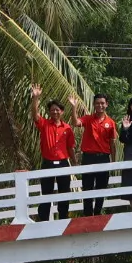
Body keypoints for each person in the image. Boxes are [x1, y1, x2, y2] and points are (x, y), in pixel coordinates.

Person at [30, 85, 80, 221]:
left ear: (62, 112)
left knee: (64, 193)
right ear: (49, 112)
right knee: (46, 193)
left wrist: (75, 164)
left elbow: (71, 148)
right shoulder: (45, 124)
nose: (55, 112)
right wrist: (35, 97)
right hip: (48, 163)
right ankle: (43, 220)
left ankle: (63, 219)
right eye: (52, 110)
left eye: (57, 110)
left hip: (63, 163)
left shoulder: (68, 128)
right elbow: (35, 115)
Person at [79, 92, 118, 216]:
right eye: (97, 103)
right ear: (94, 105)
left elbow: (112, 143)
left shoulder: (110, 122)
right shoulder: (88, 118)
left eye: (102, 103)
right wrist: (74, 107)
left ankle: (97, 213)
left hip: (103, 158)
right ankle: (87, 215)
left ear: (106, 104)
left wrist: (114, 161)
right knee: (87, 188)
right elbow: (76, 122)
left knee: (101, 188)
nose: (100, 105)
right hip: (88, 158)